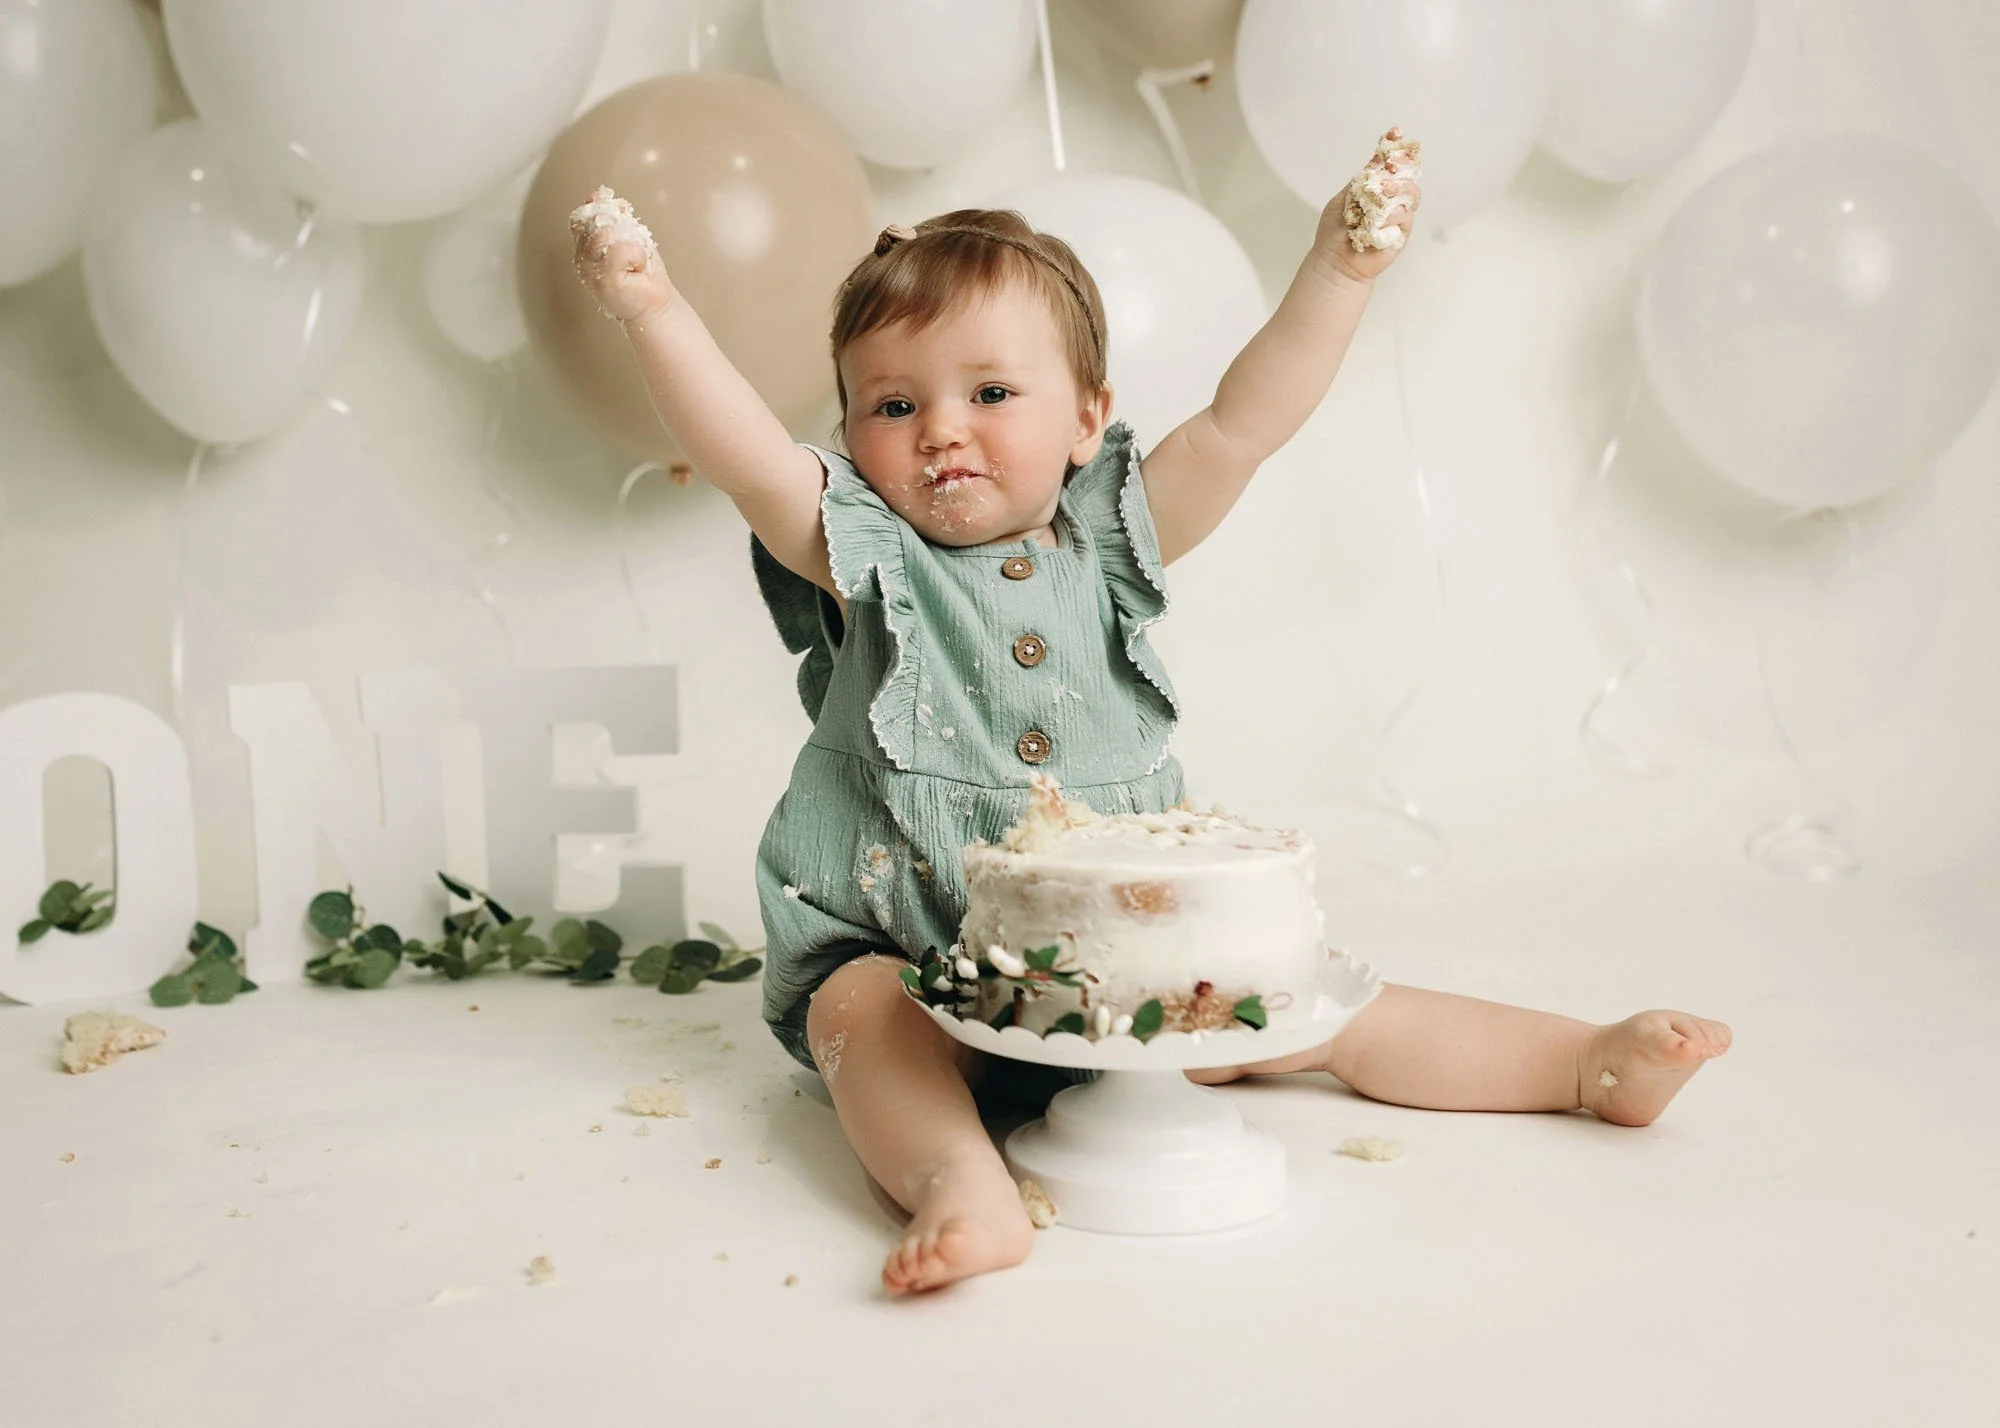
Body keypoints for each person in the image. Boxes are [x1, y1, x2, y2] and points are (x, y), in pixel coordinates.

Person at [570, 130, 1731, 1297]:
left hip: (1122, 953)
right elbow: (747, 459)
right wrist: (652, 307)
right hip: (902, 942)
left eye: (988, 392)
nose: (938, 428)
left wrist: (1336, 269)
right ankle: (959, 1186)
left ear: (1086, 420)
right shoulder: (862, 555)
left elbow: (1244, 422)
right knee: (868, 1026)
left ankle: (1575, 1062)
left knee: (1318, 1012)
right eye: (890, 401)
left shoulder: (1111, 543)